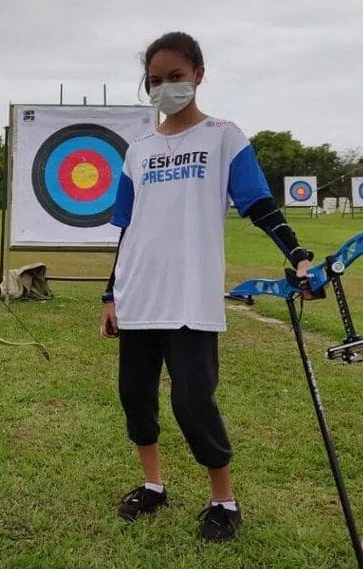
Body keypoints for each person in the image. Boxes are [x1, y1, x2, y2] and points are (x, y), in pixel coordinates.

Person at [100, 31, 313, 541]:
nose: (165, 87)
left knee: (194, 404)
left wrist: (298, 255)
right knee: (136, 397)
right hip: (138, 296)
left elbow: (259, 203)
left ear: (198, 74)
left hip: (190, 299)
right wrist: (110, 295)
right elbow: (128, 228)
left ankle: (224, 499)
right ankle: (153, 487)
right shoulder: (138, 150)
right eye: (155, 80)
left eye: (175, 76)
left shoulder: (224, 136)